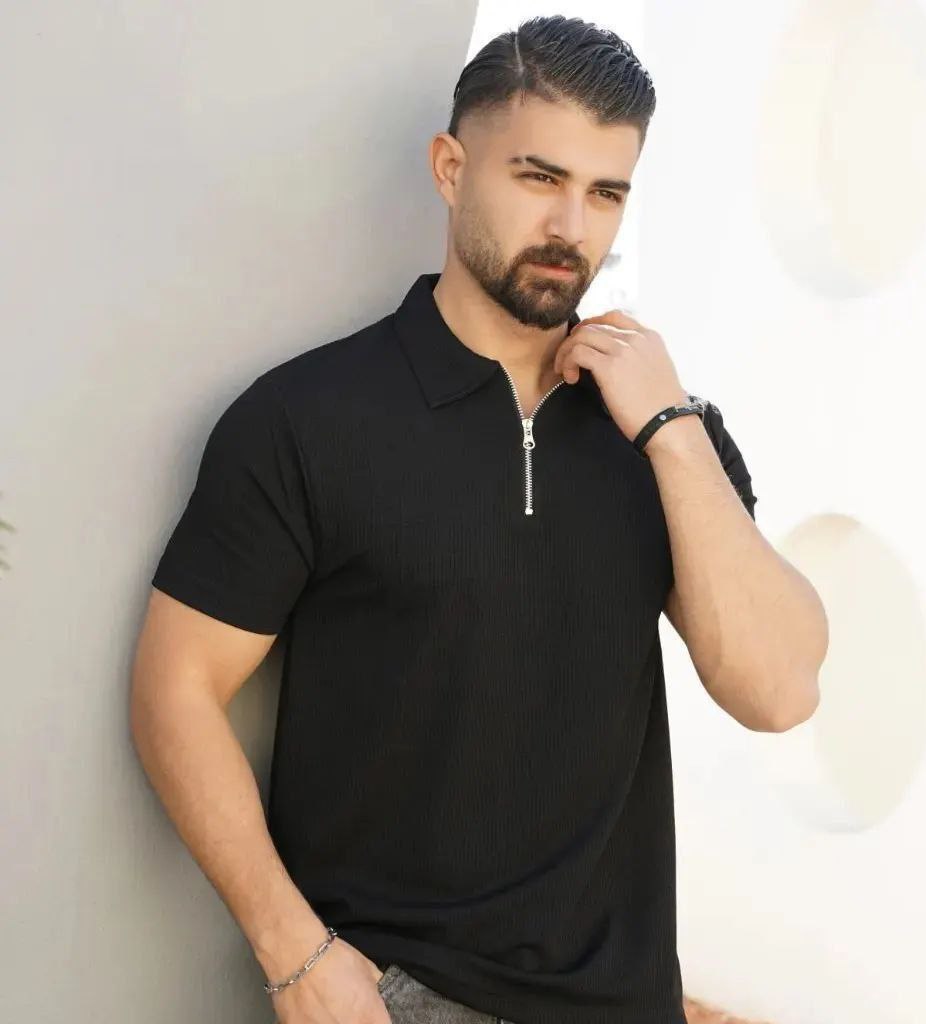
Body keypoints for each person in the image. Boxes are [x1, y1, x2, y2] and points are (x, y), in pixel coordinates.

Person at [131, 14, 826, 1024]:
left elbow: (779, 690)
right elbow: (175, 687)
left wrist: (672, 430)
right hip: (399, 996)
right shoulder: (305, 419)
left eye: (606, 193)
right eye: (539, 177)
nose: (571, 227)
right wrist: (292, 951)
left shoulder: (664, 434)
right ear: (451, 169)